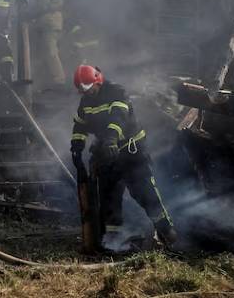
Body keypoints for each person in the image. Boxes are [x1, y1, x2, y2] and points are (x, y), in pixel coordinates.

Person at [70, 64, 177, 248]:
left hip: (131, 151)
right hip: (107, 153)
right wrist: (77, 146)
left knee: (145, 192)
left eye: (89, 89)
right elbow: (80, 125)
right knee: (108, 197)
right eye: (82, 91)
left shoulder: (116, 93)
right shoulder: (86, 101)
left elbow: (117, 119)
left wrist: (111, 140)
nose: (86, 94)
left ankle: (167, 232)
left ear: (98, 81)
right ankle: (112, 241)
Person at [29, 0, 66, 90]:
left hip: (49, 22)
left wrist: (30, 13)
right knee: (45, 53)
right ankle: (48, 81)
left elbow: (43, 6)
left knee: (51, 52)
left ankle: (59, 82)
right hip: (45, 23)